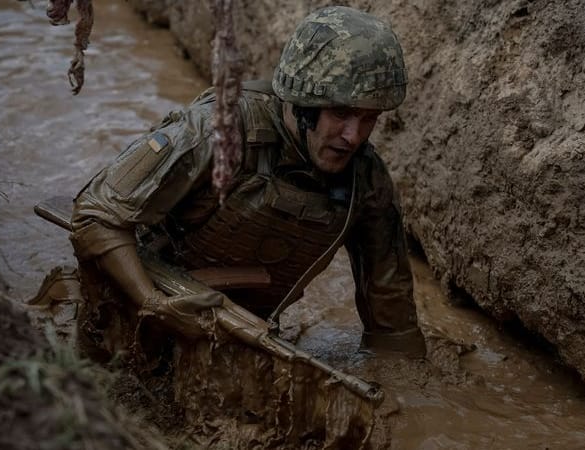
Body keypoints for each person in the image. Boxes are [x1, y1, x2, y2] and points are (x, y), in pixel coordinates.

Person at [69, 6, 426, 359]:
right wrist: (155, 304)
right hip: (129, 314)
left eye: (369, 119)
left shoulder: (367, 181)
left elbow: (393, 332)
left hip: (240, 341)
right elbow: (95, 216)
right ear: (300, 102)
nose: (353, 136)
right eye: (341, 113)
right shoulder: (218, 130)